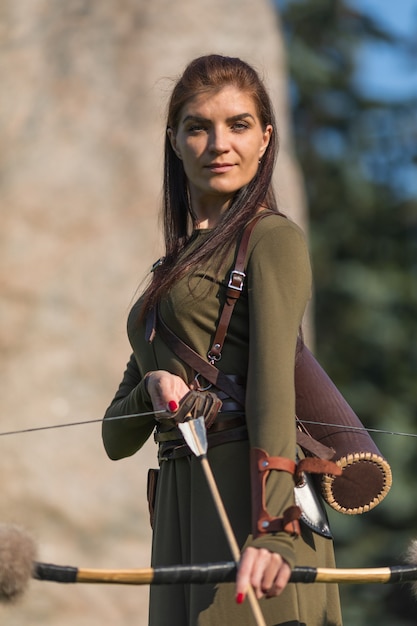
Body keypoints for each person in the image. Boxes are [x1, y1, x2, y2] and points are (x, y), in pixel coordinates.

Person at [102, 54, 343, 626]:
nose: (218, 143)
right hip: (183, 506)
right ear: (175, 141)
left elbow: (272, 388)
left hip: (252, 504)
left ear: (265, 139)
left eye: (237, 125)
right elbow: (115, 438)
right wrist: (151, 389)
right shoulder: (170, 271)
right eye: (198, 126)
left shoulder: (272, 238)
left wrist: (274, 531)